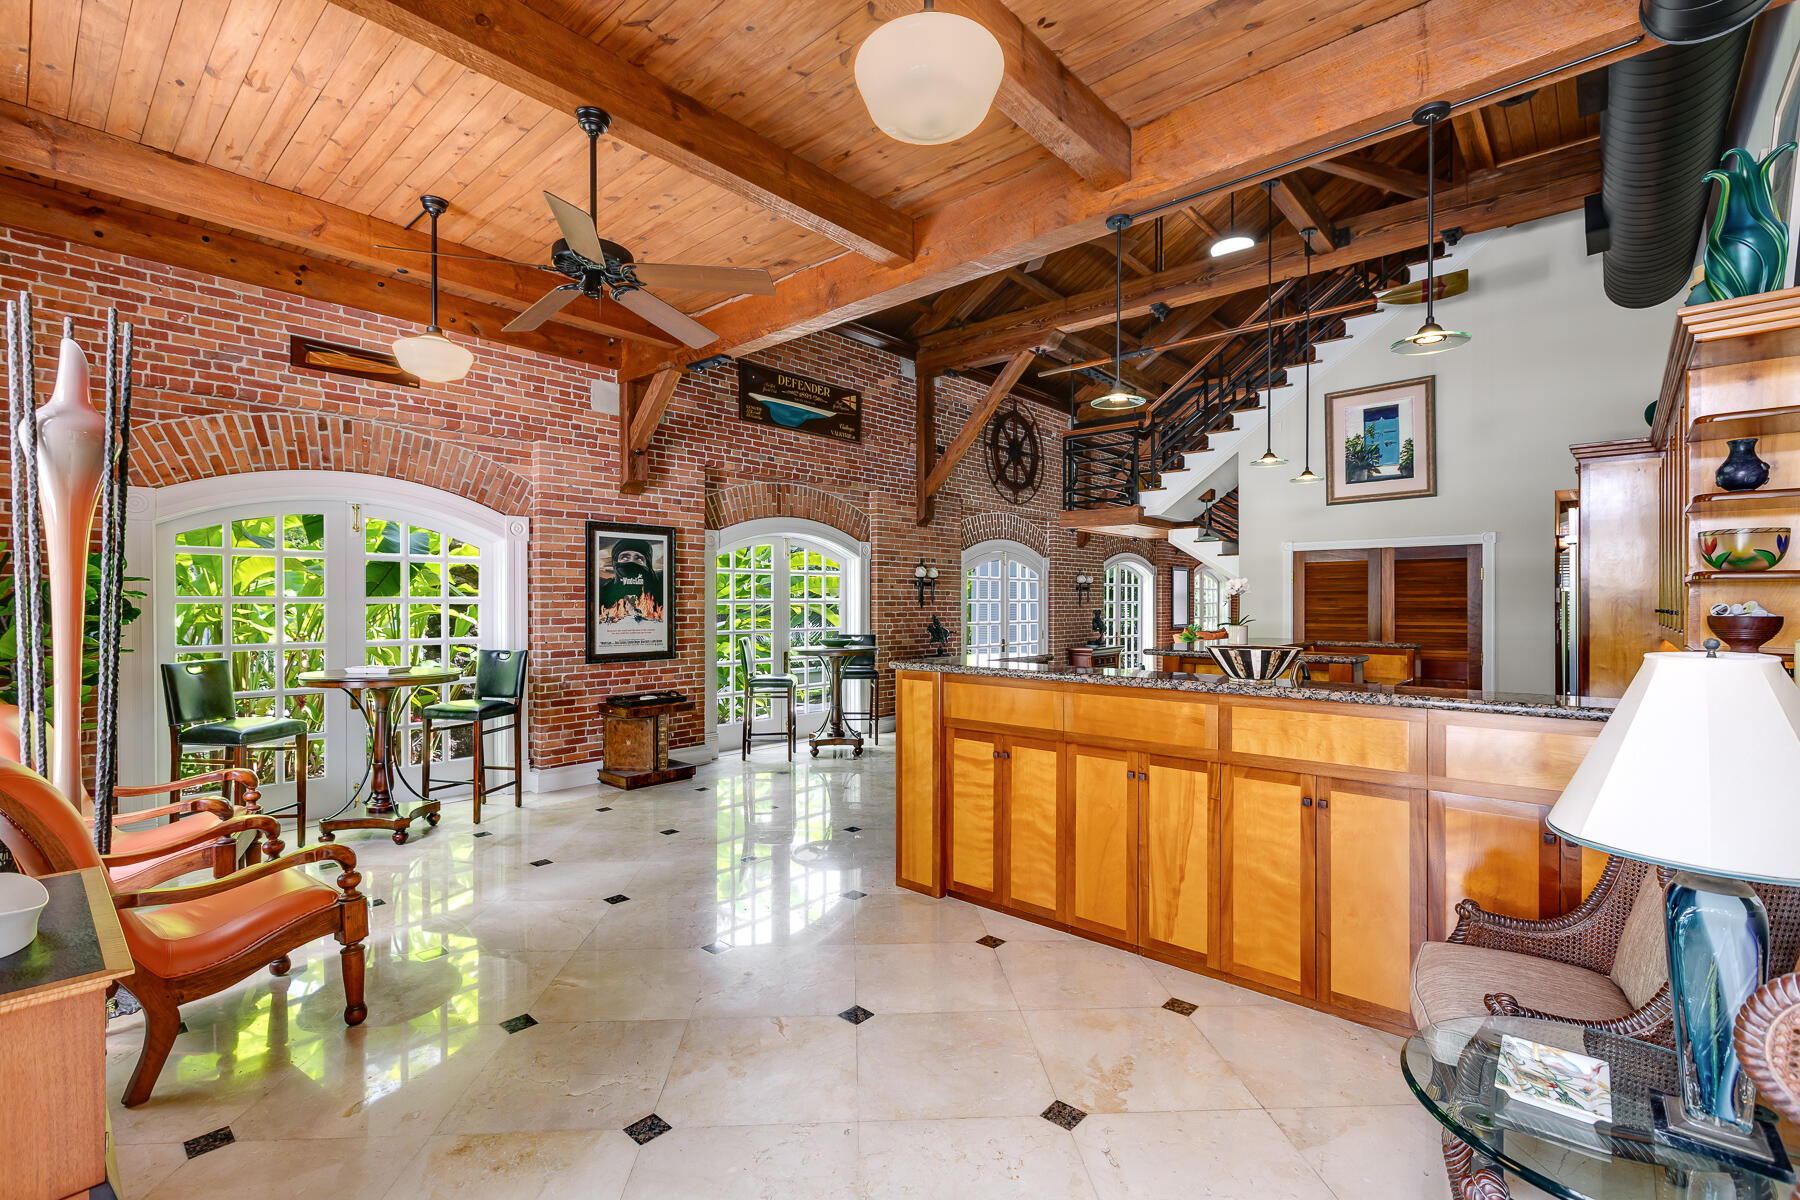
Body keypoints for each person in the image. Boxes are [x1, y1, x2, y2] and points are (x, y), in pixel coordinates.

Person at [595, 537, 664, 623]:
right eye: (624, 557)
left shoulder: (660, 588)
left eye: (638, 559)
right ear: (615, 562)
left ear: (648, 565)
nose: (631, 562)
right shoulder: (604, 592)